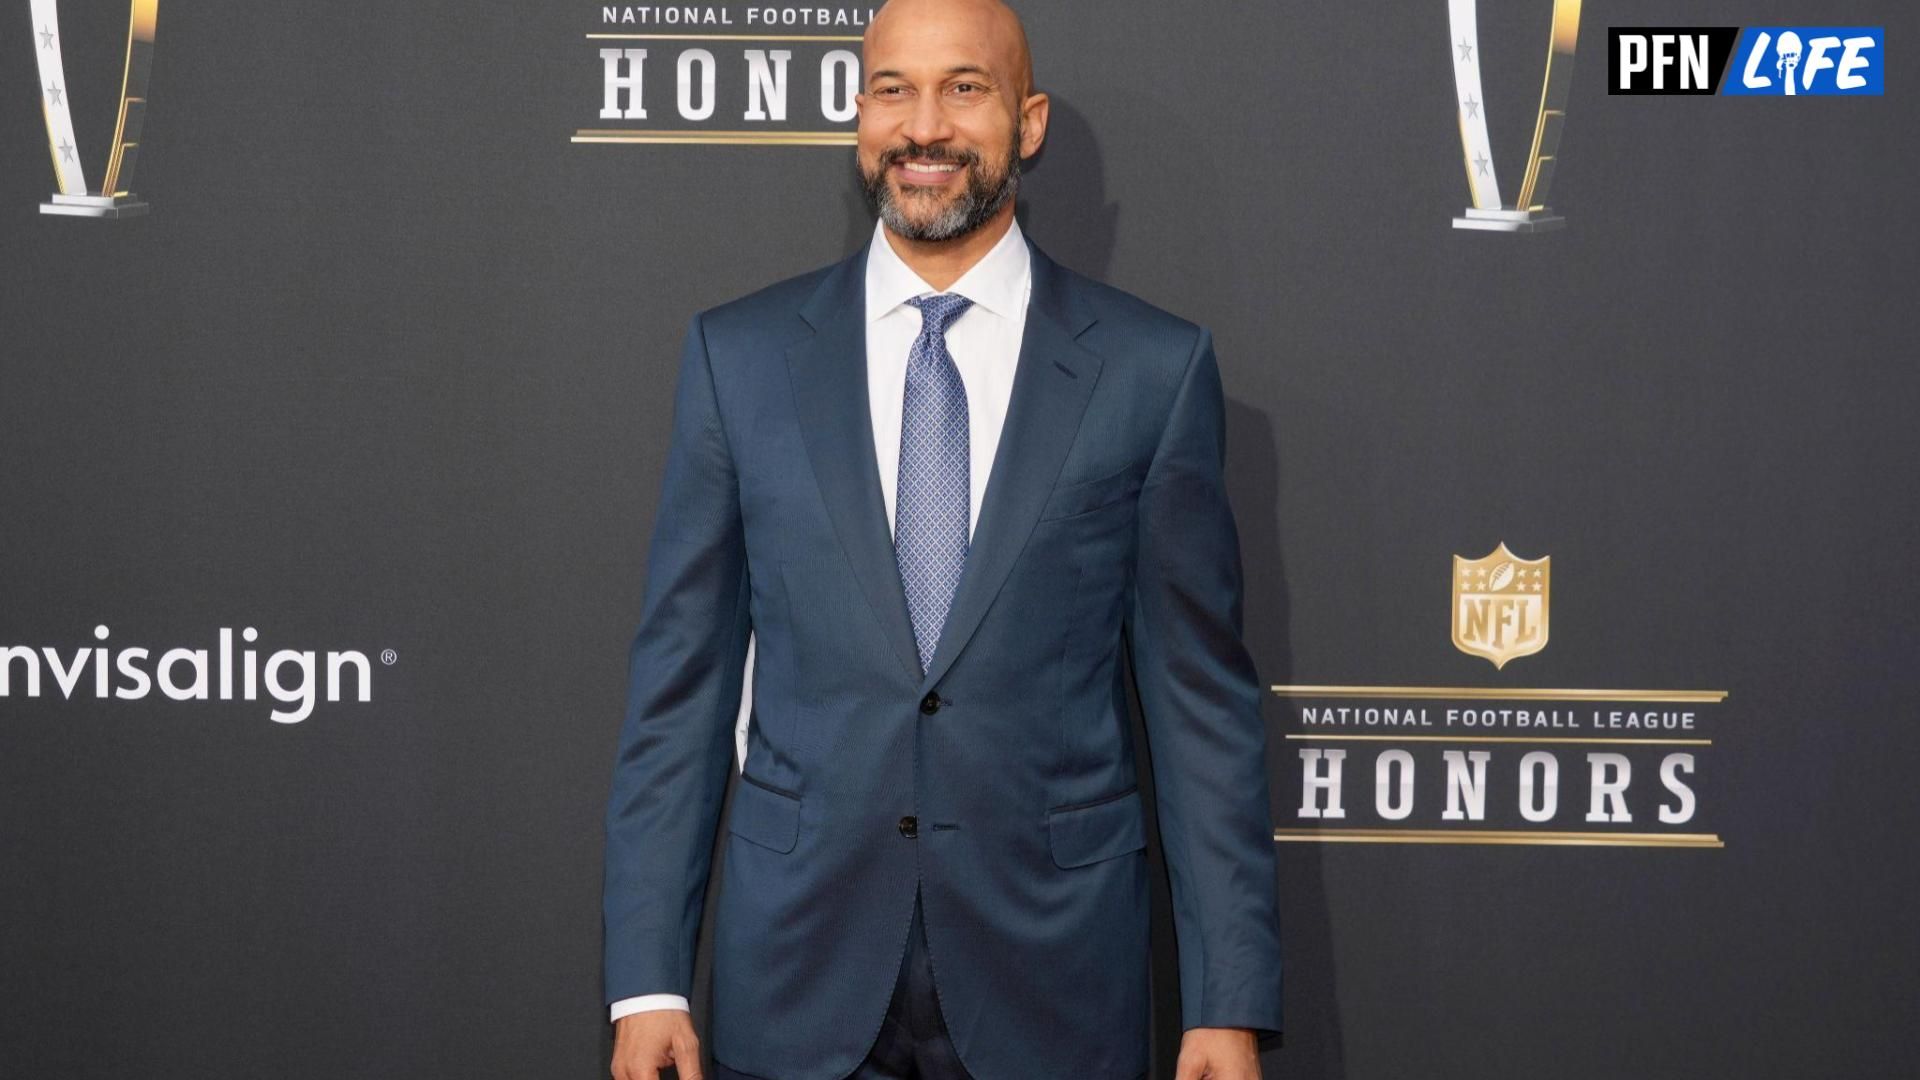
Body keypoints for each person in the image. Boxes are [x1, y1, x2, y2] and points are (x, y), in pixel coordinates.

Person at [602, 1, 1283, 1077]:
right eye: (892, 89)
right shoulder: (740, 360)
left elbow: (1201, 713)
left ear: (1030, 120)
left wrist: (1225, 1003)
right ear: (859, 116)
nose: (924, 126)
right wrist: (648, 979)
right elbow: (679, 692)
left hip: (1055, 981)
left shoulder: (1152, 374)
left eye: (965, 88)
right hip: (797, 976)